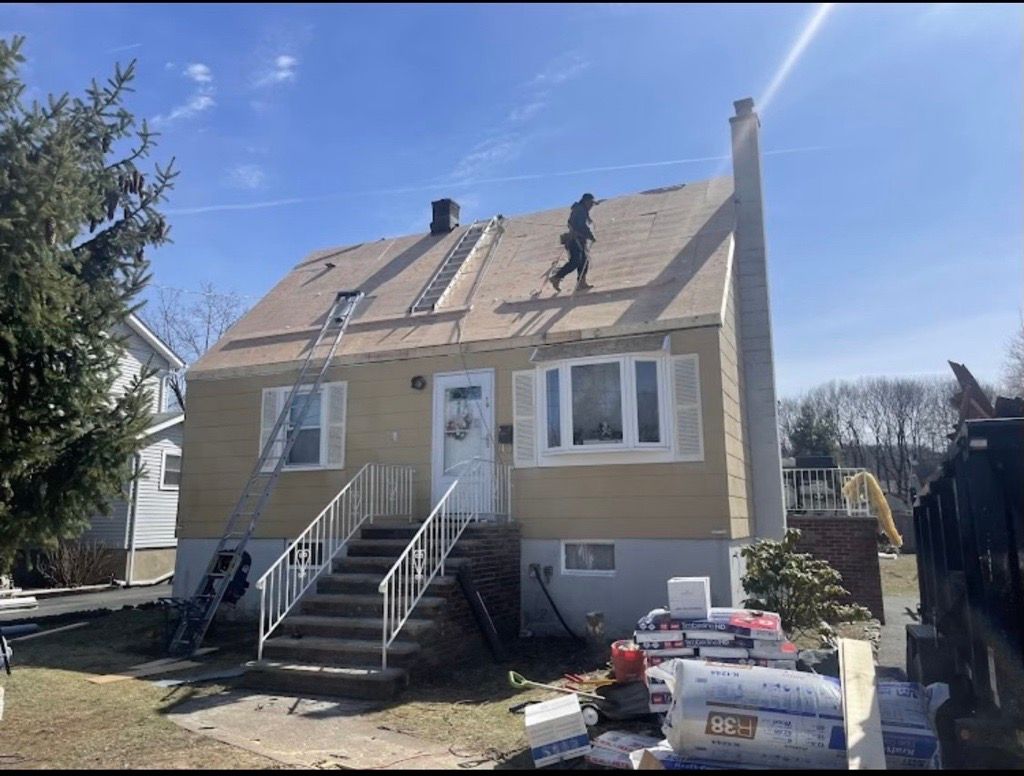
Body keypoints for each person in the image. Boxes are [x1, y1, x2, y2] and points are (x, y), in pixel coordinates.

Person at [550, 192, 596, 292]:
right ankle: (557, 277)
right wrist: (590, 236)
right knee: (576, 261)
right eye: (591, 203)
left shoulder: (580, 210)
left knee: (584, 261)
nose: (591, 206)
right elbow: (580, 226)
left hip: (579, 239)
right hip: (574, 239)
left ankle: (581, 282)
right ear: (586, 201)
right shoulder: (580, 210)